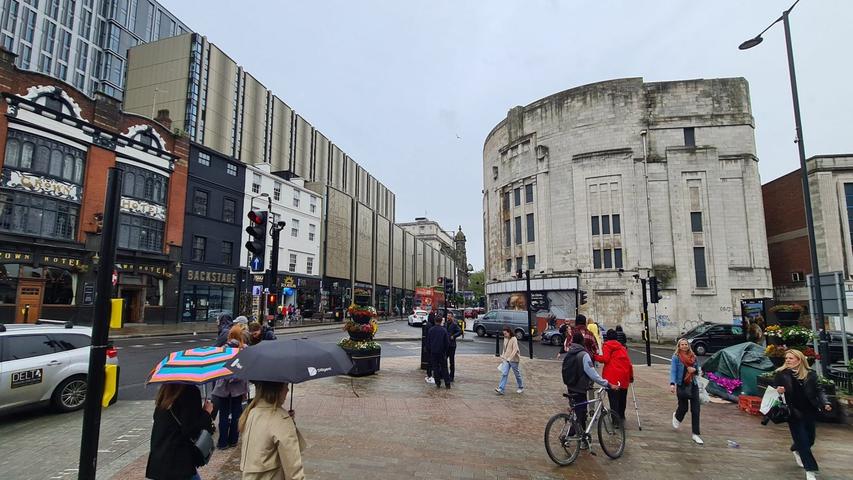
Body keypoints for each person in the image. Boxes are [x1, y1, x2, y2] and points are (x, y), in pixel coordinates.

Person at [773, 349, 832, 480]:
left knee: (810, 438)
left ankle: (796, 448)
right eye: (786, 358)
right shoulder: (781, 374)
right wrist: (779, 391)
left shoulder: (811, 374)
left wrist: (825, 402)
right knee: (803, 442)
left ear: (799, 360)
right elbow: (773, 391)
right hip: (793, 412)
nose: (787, 360)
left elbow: (819, 390)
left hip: (810, 411)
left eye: (791, 358)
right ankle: (811, 470)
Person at [145, 384, 214, 480]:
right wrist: (206, 412)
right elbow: (192, 430)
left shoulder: (165, 390)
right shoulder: (190, 391)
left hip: (159, 459)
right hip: (178, 462)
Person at [239, 381, 305, 480]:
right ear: (277, 390)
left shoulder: (251, 412)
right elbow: (293, 471)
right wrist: (287, 422)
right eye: (285, 385)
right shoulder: (281, 420)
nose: (287, 390)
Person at [562, 332, 613, 432]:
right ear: (582, 341)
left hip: (570, 385)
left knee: (578, 413)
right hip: (580, 388)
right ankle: (575, 437)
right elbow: (592, 374)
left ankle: (576, 436)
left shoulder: (570, 353)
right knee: (581, 414)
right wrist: (606, 383)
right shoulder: (583, 355)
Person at [212, 326, 249, 449]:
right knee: (236, 415)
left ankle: (222, 442)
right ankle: (233, 440)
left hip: (224, 388)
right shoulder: (245, 350)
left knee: (223, 415)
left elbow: (219, 368)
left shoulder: (224, 349)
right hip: (238, 389)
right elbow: (246, 370)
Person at [594, 329, 633, 422]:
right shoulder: (622, 348)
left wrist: (594, 356)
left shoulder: (607, 346)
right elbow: (629, 363)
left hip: (612, 376)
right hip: (624, 376)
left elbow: (605, 359)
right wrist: (631, 376)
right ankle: (622, 416)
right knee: (622, 398)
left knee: (613, 399)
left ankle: (615, 420)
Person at [670, 338, 703, 444]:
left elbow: (699, 370)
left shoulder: (694, 357)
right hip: (682, 385)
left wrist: (695, 370)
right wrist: (672, 384)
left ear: (688, 346)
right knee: (683, 408)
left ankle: (695, 434)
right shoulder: (676, 357)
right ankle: (677, 416)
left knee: (696, 410)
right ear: (679, 346)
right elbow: (673, 371)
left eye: (686, 344)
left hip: (693, 385)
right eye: (682, 344)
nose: (684, 346)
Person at [495, 326, 524, 395]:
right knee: (504, 374)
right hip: (506, 359)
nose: (504, 335)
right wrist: (503, 357)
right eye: (504, 334)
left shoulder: (514, 339)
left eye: (505, 333)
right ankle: (501, 389)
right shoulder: (505, 338)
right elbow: (504, 349)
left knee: (517, 374)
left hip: (514, 360)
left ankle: (521, 387)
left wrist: (509, 358)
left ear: (509, 332)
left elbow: (515, 350)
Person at [427, 316, 451, 388]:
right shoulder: (444, 330)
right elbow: (447, 343)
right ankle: (447, 383)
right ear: (441, 321)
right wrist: (445, 351)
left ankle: (438, 383)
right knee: (444, 368)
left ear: (435, 321)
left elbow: (428, 342)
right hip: (442, 352)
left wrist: (430, 351)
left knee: (435, 368)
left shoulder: (431, 330)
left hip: (433, 352)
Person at [445, 311, 463, 382]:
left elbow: (460, 331)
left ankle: (451, 376)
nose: (448, 317)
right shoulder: (445, 324)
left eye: (449, 316)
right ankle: (445, 374)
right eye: (447, 316)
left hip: (452, 345)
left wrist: (454, 336)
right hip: (446, 345)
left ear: (452, 317)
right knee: (444, 360)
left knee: (451, 361)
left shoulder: (454, 324)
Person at [424, 310, 438, 384]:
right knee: (431, 362)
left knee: (429, 361)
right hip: (431, 346)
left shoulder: (428, 324)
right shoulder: (430, 326)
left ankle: (429, 375)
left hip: (429, 345)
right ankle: (430, 375)